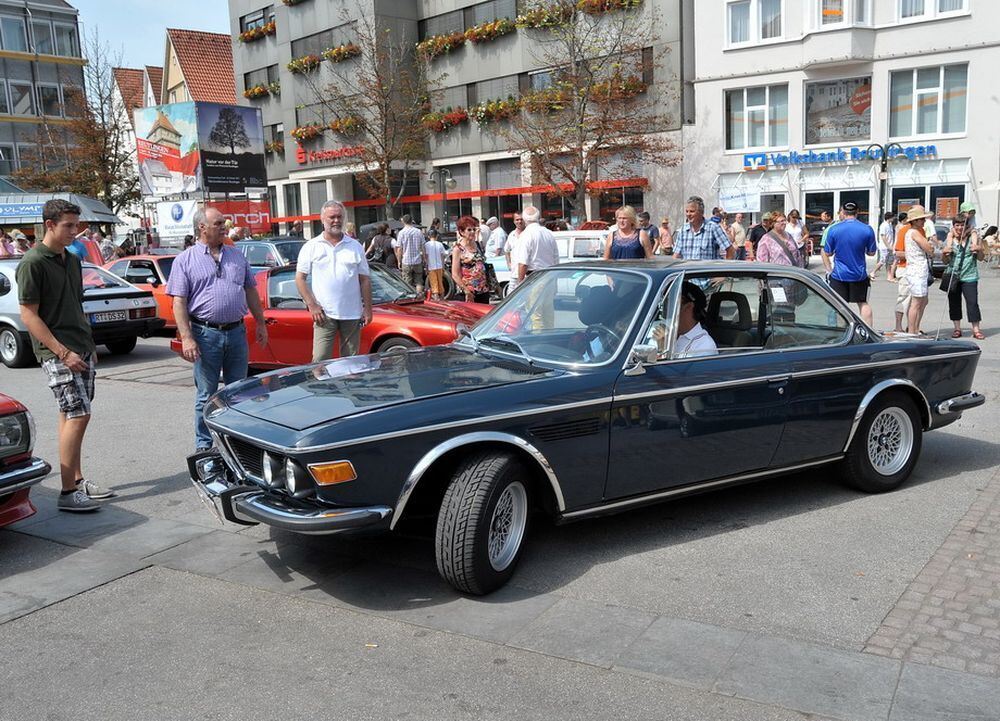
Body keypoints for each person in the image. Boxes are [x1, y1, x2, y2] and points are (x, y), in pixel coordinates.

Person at [16, 199, 114, 512]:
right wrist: (63, 352)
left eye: (76, 225)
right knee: (78, 414)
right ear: (49, 225)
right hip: (57, 352)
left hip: (81, 347)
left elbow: (75, 305)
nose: (75, 231)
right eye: (68, 226)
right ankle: (68, 493)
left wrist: (88, 344)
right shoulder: (33, 261)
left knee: (68, 415)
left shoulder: (71, 260)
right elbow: (29, 316)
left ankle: (76, 479)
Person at [168, 207, 268, 451]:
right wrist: (187, 338)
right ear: (202, 227)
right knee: (207, 393)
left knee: (238, 391)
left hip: (236, 332)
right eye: (219, 223)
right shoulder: (185, 260)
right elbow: (178, 302)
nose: (224, 226)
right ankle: (204, 445)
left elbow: (251, 291)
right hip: (205, 335)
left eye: (224, 223)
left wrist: (261, 322)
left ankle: (238, 441)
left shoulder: (236, 256)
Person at [294, 200, 372, 362]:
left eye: (339, 217)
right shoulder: (312, 246)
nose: (336, 220)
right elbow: (300, 279)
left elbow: (364, 280)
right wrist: (312, 305)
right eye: (332, 217)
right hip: (324, 314)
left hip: (352, 313)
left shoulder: (355, 246)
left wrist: (368, 309)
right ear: (322, 219)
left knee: (351, 363)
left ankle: (348, 388)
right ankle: (323, 388)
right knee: (320, 360)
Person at [821, 202, 877, 326]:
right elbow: (872, 253)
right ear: (857, 212)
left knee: (837, 306)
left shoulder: (834, 229)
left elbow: (828, 253)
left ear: (843, 212)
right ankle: (868, 333)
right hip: (859, 274)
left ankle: (840, 334)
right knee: (863, 303)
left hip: (839, 275)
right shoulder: (867, 229)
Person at [942, 211, 985, 340]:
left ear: (967, 226)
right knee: (954, 302)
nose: (960, 228)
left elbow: (981, 258)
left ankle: (976, 329)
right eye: (957, 225)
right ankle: (957, 328)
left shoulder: (974, 238)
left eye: (962, 225)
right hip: (953, 275)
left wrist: (979, 249)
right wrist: (945, 254)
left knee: (972, 303)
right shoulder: (950, 240)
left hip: (970, 275)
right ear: (953, 226)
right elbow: (945, 261)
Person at [651, 281, 718, 358]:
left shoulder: (704, 346)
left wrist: (663, 349)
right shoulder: (664, 333)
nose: (667, 306)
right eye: (666, 301)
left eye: (671, 301)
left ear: (688, 307)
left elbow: (668, 370)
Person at [901, 204, 935, 335]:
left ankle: (914, 328)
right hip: (917, 270)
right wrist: (930, 245)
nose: (924, 221)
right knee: (916, 302)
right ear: (914, 221)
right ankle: (912, 330)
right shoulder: (914, 232)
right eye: (922, 219)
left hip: (917, 269)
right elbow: (929, 249)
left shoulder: (913, 232)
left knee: (923, 301)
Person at [673, 196, 733, 261]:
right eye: (687, 211)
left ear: (701, 212)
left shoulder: (713, 228)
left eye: (692, 211)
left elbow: (730, 250)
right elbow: (676, 255)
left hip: (707, 270)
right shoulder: (683, 230)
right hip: (688, 270)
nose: (688, 214)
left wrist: (724, 269)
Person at [452, 215, 491, 303]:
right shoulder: (458, 249)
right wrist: (466, 290)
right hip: (468, 293)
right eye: (469, 230)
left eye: (474, 229)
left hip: (483, 291)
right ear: (461, 232)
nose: (472, 232)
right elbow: (455, 274)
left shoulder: (478, 245)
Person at [395, 214, 425, 293]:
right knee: (419, 282)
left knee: (407, 283)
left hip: (406, 261)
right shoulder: (418, 232)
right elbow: (423, 247)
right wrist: (424, 258)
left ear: (403, 221)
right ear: (412, 221)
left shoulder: (401, 233)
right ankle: (419, 296)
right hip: (417, 260)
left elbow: (399, 248)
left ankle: (410, 297)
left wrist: (399, 261)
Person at [892, 212, 911, 332]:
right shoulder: (904, 230)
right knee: (903, 298)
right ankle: (898, 327)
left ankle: (912, 326)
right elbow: (897, 252)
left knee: (918, 300)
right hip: (905, 268)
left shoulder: (922, 230)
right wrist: (915, 255)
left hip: (918, 270)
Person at [503, 211, 527, 293]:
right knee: (510, 297)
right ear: (514, 221)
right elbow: (506, 250)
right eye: (517, 220)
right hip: (514, 273)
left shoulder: (529, 234)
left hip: (527, 274)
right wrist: (509, 263)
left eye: (521, 219)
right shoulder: (511, 235)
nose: (519, 221)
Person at [872, 211, 896, 281]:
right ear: (889, 217)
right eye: (892, 217)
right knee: (882, 261)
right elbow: (883, 236)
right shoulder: (884, 225)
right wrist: (888, 246)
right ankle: (873, 272)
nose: (894, 218)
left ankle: (889, 276)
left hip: (889, 246)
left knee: (888, 262)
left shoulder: (890, 225)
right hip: (884, 247)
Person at [425, 230, 446, 300]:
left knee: (434, 285)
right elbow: (442, 256)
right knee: (440, 283)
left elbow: (426, 257)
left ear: (428, 236)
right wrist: (443, 266)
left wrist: (426, 266)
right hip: (439, 266)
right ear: (437, 236)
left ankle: (436, 299)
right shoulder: (440, 244)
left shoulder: (426, 245)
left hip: (431, 267)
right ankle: (442, 299)